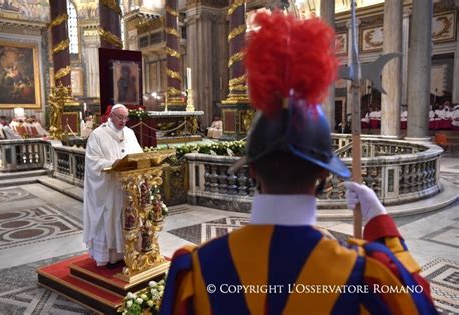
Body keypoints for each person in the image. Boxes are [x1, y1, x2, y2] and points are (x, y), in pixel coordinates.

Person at [161, 12, 437, 314]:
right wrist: (383, 227)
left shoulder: (197, 270)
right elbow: (419, 304)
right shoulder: (366, 275)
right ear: (322, 173)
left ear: (252, 169)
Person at [83, 104, 143, 267]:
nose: (123, 121)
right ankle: (109, 256)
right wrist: (113, 164)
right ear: (111, 116)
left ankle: (129, 251)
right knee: (110, 216)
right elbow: (92, 161)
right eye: (120, 117)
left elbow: (139, 154)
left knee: (128, 216)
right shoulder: (98, 134)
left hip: (128, 186)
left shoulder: (129, 133)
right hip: (109, 187)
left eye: (126, 118)